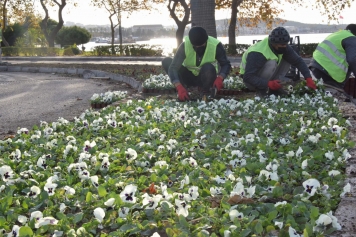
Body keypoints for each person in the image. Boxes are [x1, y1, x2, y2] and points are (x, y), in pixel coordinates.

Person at [240, 26, 317, 97]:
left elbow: (298, 61)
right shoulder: (258, 53)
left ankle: (275, 88)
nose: (284, 47)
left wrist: (308, 78)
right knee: (272, 63)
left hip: (264, 78)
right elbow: (248, 77)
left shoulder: (285, 47)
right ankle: (261, 90)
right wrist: (267, 84)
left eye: (286, 44)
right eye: (282, 45)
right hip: (251, 82)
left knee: (288, 59)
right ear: (274, 44)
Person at [162, 26, 231, 101]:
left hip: (206, 77)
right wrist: (178, 86)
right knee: (167, 61)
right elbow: (173, 68)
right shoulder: (185, 46)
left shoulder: (215, 46)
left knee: (208, 67)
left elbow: (226, 64)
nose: (198, 48)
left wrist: (220, 78)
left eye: (201, 45)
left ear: (206, 40)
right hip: (188, 77)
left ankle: (205, 91)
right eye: (195, 46)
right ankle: (184, 90)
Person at [309, 24, 356, 95]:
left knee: (325, 93)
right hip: (328, 71)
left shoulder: (338, 34)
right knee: (332, 95)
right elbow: (353, 59)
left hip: (316, 65)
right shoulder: (351, 38)